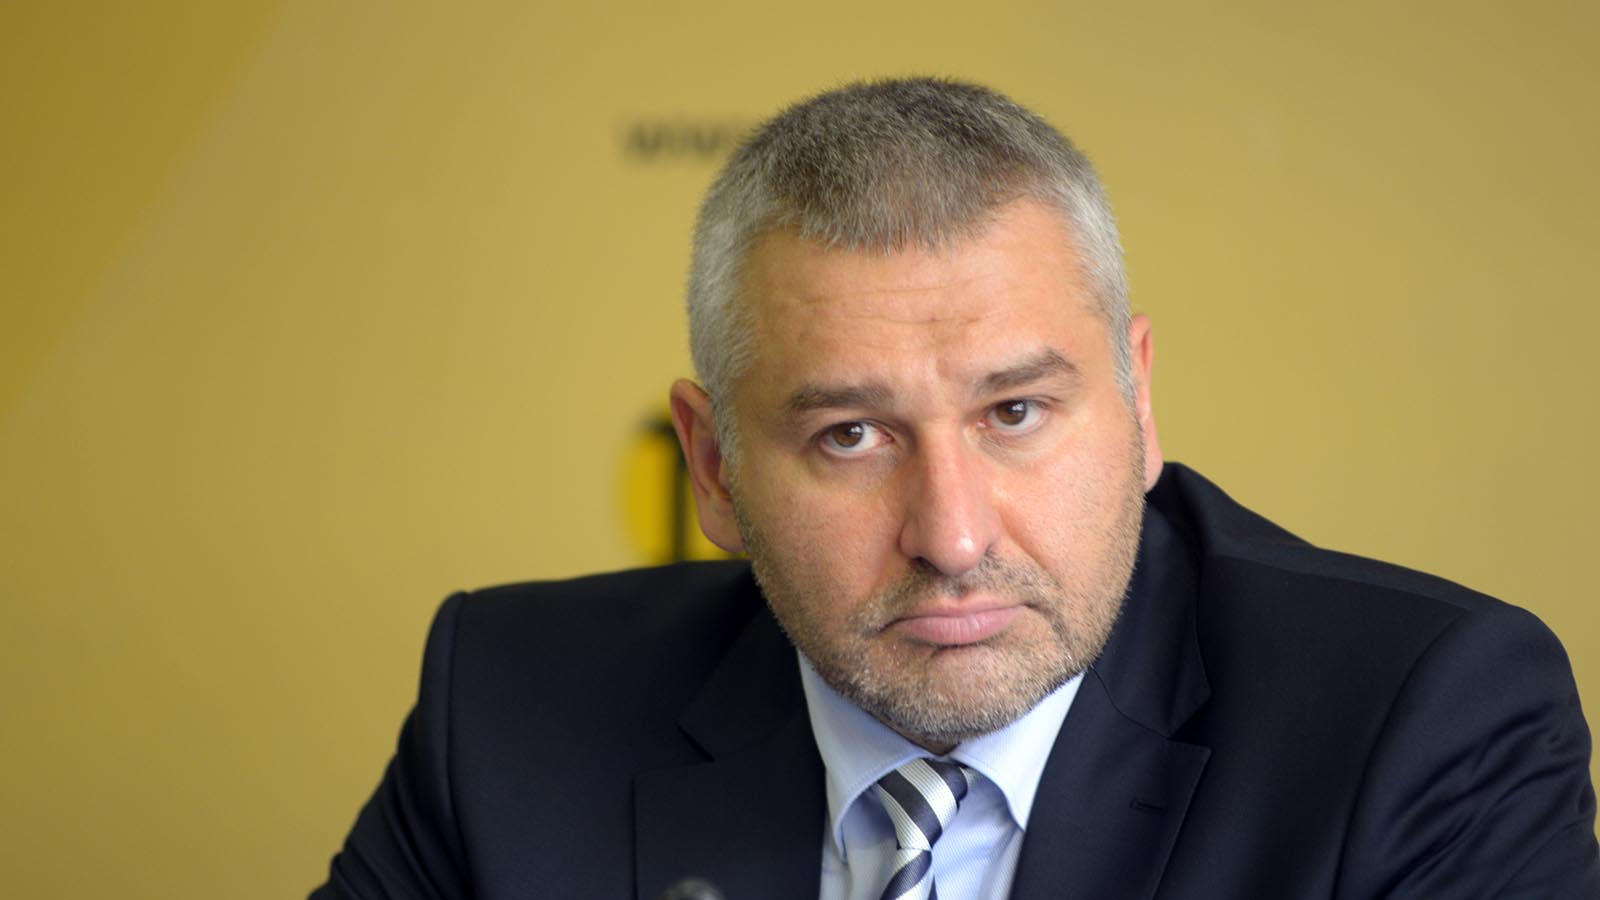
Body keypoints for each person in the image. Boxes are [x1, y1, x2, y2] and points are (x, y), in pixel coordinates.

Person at [311, 78, 1599, 900]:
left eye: (1015, 414)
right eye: (852, 437)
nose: (954, 536)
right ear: (711, 468)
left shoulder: (1420, 724)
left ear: (1140, 402)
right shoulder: (511, 713)